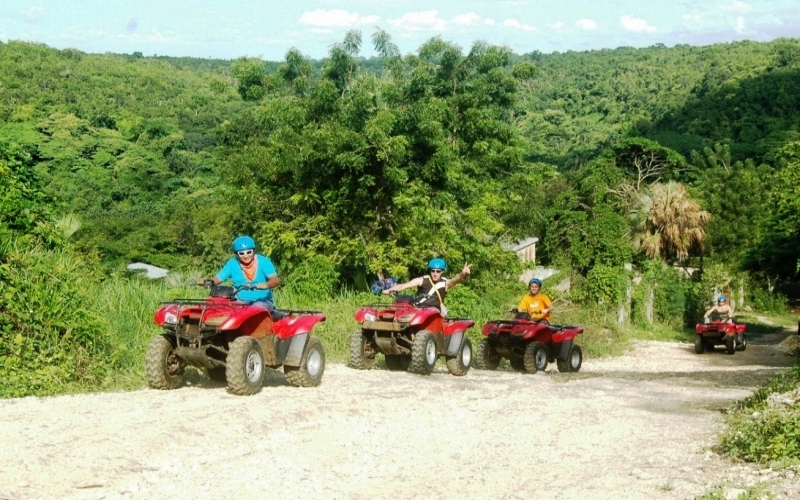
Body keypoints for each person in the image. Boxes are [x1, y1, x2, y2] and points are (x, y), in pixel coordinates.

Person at [197, 235, 281, 307]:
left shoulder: (264, 262)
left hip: (263, 301)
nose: (246, 256)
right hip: (239, 300)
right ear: (237, 254)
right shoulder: (232, 264)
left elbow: (275, 280)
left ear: (254, 251)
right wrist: (206, 281)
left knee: (255, 308)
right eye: (241, 253)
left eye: (249, 252)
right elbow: (218, 279)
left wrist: (266, 284)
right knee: (220, 307)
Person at [382, 258, 471, 315]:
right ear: (430, 271)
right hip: (417, 309)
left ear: (442, 272)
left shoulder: (445, 283)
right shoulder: (422, 280)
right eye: (433, 271)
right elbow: (403, 286)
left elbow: (455, 280)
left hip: (433, 312)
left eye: (438, 271)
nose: (435, 273)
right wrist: (388, 290)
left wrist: (462, 274)